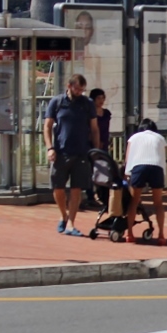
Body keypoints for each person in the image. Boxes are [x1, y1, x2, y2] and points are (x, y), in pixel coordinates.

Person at [43, 73, 99, 237]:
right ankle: (63, 215)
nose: (80, 92)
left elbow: (94, 129)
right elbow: (47, 126)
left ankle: (72, 223)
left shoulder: (87, 104)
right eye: (77, 89)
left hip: (81, 152)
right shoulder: (57, 102)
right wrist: (50, 148)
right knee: (58, 188)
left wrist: (95, 150)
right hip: (61, 152)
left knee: (76, 189)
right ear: (69, 86)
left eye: (82, 89)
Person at [123, 118, 167, 246]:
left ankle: (130, 234)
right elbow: (164, 156)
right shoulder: (160, 138)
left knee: (134, 201)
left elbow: (128, 157)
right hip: (156, 167)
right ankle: (161, 235)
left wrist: (127, 173)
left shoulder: (134, 137)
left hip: (139, 166)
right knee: (158, 202)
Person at [87, 88, 112, 209]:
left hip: (104, 145)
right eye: (98, 98)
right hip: (91, 146)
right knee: (91, 170)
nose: (101, 101)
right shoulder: (89, 114)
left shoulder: (106, 113)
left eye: (103, 98)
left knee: (103, 170)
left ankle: (103, 195)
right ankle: (90, 196)